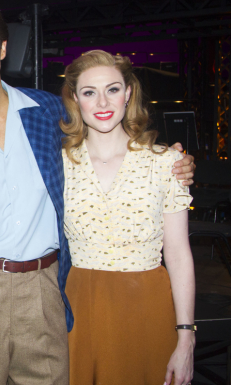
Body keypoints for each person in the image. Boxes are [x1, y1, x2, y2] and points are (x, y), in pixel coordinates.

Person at [0, 0, 195, 385]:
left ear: (3, 49)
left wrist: (170, 159)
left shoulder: (48, 112)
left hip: (48, 288)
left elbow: (105, 129)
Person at [61, 50, 195, 385]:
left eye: (113, 89)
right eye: (90, 92)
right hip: (80, 308)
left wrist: (186, 336)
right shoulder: (57, 164)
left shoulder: (166, 163)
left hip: (147, 307)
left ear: (128, 93)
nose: (103, 101)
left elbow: (178, 254)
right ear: (76, 98)